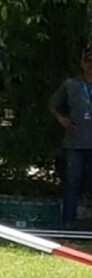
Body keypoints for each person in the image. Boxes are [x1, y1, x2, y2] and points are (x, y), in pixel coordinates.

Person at [49, 46, 92, 228]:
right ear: (82, 63)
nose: (91, 66)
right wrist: (61, 119)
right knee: (72, 184)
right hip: (75, 143)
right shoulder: (71, 84)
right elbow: (52, 104)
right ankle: (68, 222)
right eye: (88, 61)